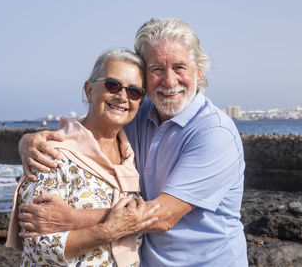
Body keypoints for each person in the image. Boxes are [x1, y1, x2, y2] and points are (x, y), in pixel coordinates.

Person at [18, 18, 248, 266]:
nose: (169, 81)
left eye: (180, 67)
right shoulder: (139, 110)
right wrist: (27, 141)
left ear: (199, 71)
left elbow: (162, 217)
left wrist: (72, 218)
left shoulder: (215, 133)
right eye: (157, 69)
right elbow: (93, 124)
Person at [7, 48, 159, 267]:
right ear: (89, 90)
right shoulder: (51, 155)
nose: (122, 96)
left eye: (134, 91)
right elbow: (37, 246)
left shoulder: (133, 157)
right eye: (112, 85)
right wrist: (108, 230)